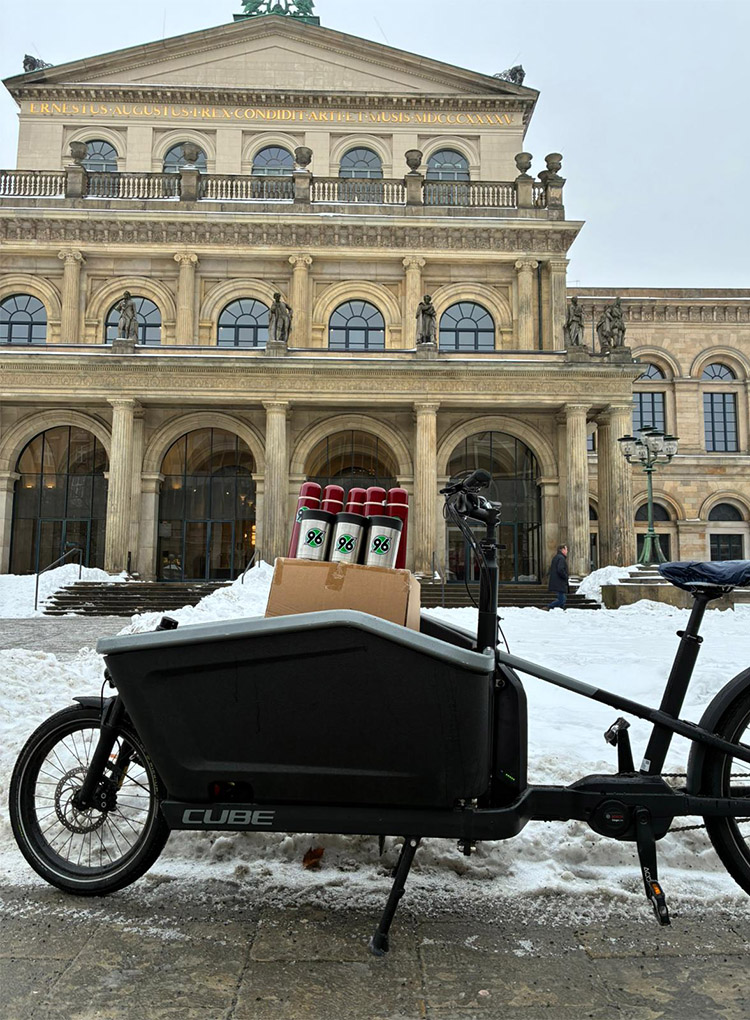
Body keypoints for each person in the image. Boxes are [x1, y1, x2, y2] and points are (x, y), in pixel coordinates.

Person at [546, 544, 569, 610]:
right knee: (562, 600)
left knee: (562, 599)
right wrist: (565, 576)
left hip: (557, 582)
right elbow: (560, 569)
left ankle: (561, 610)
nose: (567, 551)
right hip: (559, 582)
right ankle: (549, 606)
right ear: (562, 550)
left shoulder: (556, 557)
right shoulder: (561, 558)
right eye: (566, 549)